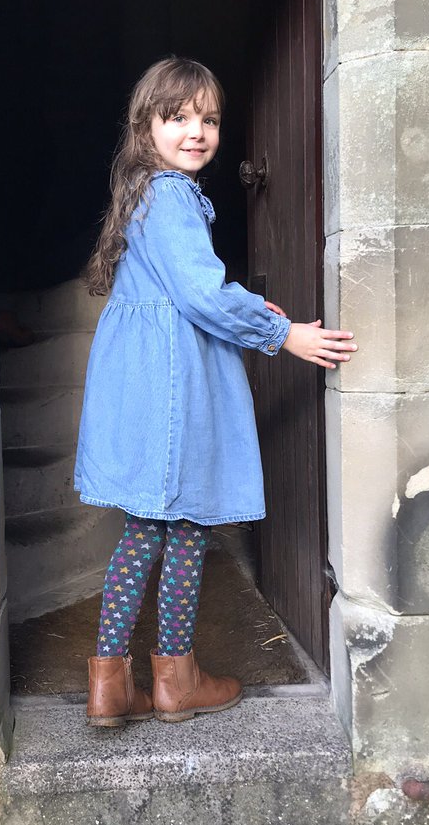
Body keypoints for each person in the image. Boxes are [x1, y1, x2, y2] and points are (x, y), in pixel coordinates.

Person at [74, 57, 357, 728]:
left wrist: (260, 311)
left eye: (210, 119)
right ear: (147, 125)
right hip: (172, 381)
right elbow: (201, 292)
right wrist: (281, 334)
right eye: (179, 118)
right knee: (186, 522)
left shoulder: (148, 191)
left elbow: (186, 287)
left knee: (149, 527)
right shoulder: (169, 195)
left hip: (151, 374)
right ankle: (175, 677)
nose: (197, 131)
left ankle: (113, 684)